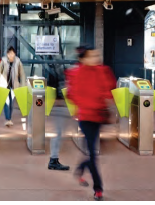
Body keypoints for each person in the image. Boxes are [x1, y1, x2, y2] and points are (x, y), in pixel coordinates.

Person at [67, 46, 116, 201]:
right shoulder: (76, 73)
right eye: (91, 56)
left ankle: (80, 169)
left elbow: (110, 89)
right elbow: (71, 94)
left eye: (96, 55)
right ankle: (98, 188)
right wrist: (87, 104)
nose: (96, 58)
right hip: (86, 118)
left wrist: (104, 100)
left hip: (99, 117)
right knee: (93, 154)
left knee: (91, 152)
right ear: (83, 59)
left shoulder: (103, 71)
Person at [0, 46, 26, 127]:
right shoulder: (3, 61)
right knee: (6, 102)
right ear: (7, 54)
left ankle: (9, 118)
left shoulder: (18, 61)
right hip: (4, 85)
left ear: (15, 54)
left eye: (12, 53)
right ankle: (8, 119)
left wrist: (23, 85)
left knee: (11, 103)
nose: (11, 55)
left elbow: (22, 74)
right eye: (9, 53)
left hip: (14, 85)